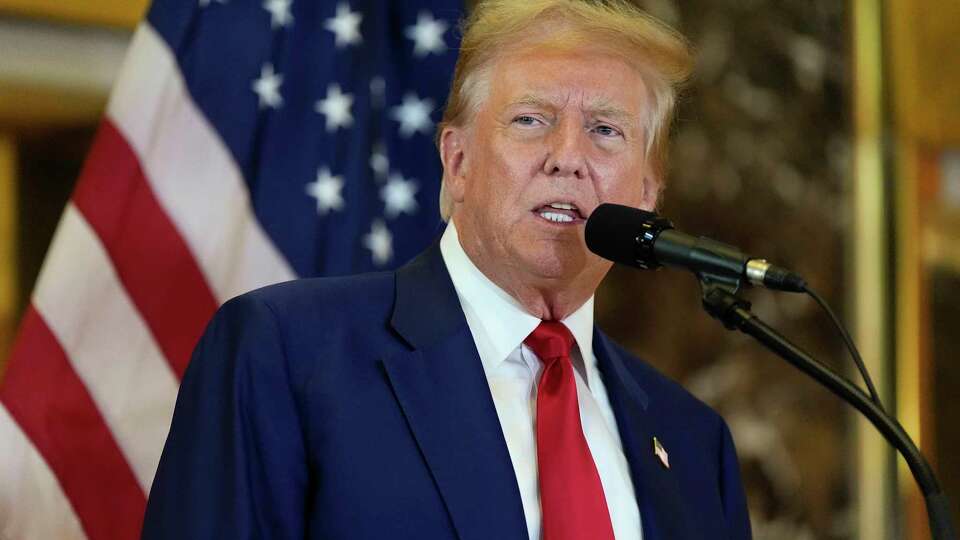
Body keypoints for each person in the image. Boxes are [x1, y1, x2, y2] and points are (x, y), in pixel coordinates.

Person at [142, 1, 752, 539]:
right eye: (531, 119)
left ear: (646, 194)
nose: (568, 157)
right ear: (456, 162)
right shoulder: (285, 354)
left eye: (605, 130)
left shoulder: (696, 444)